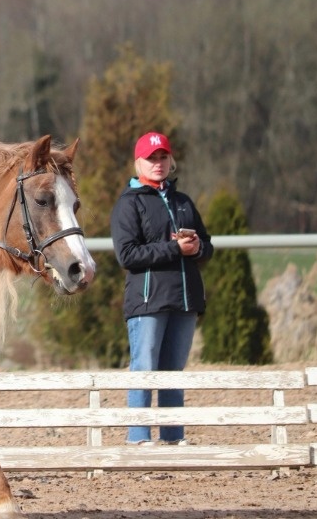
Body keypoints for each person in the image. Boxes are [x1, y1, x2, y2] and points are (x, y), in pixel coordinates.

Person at [110, 131, 213, 446]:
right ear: (138, 162)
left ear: (171, 160)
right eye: (151, 158)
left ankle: (172, 436)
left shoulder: (183, 202)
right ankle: (139, 437)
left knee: (173, 371)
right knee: (144, 367)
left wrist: (195, 249)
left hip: (184, 301)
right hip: (148, 302)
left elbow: (207, 248)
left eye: (162, 157)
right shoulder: (129, 203)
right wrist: (174, 249)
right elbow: (126, 255)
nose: (158, 163)